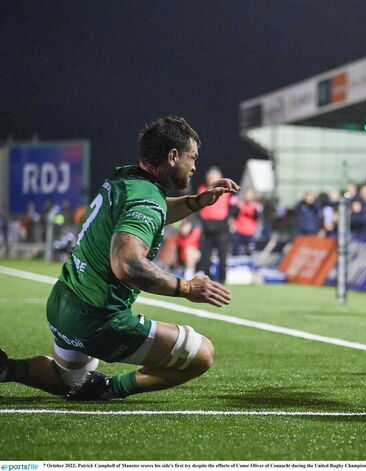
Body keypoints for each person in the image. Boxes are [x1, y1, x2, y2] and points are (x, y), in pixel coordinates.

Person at [0, 116, 240, 400]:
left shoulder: (125, 177)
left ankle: (7, 369)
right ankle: (110, 388)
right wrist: (187, 288)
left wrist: (198, 201)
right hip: (98, 319)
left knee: (70, 381)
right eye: (193, 157)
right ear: (173, 156)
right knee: (201, 354)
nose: (195, 167)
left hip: (64, 301)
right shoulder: (146, 201)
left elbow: (158, 209)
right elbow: (127, 264)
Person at [197, 166, 233, 283]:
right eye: (210, 178)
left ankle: (223, 278)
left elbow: (232, 207)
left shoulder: (226, 192)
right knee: (206, 253)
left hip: (221, 226)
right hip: (207, 225)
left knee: (223, 254)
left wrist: (230, 220)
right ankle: (208, 278)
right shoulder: (202, 189)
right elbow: (199, 208)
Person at [231, 187, 262, 255]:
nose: (248, 196)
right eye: (247, 194)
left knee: (249, 253)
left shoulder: (256, 206)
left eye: (250, 195)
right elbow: (233, 216)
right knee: (236, 252)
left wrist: (255, 210)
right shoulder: (239, 204)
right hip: (238, 232)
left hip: (250, 233)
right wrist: (238, 208)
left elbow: (258, 218)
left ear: (253, 196)